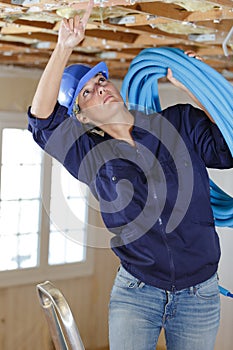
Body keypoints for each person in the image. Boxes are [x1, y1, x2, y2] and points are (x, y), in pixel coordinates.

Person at [28, 1, 233, 349]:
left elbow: (228, 149)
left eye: (102, 80)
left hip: (200, 293)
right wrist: (63, 46)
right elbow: (42, 122)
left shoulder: (179, 122)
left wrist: (193, 85)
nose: (100, 89)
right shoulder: (89, 156)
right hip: (137, 294)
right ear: (82, 118)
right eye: (87, 93)